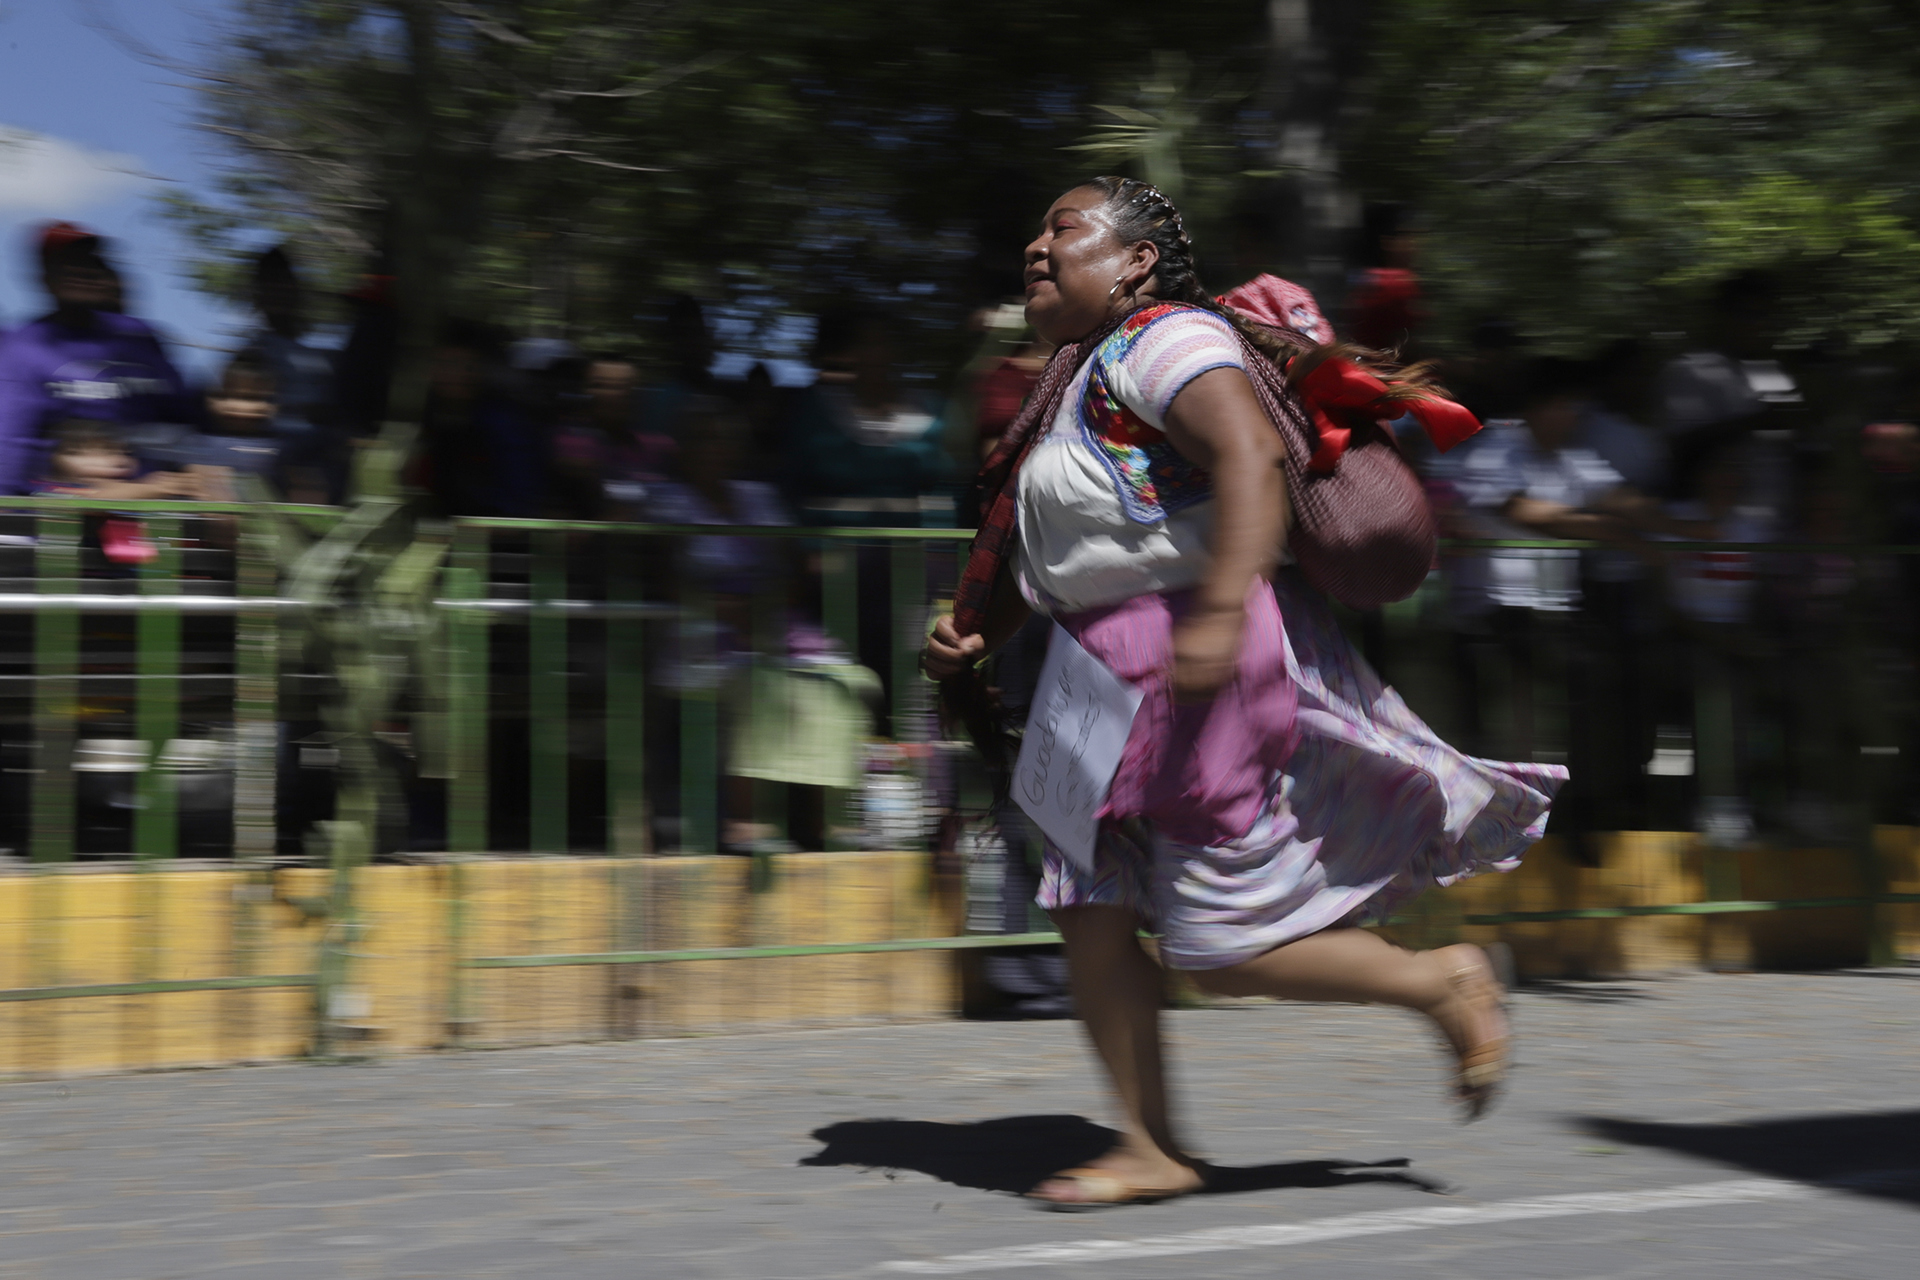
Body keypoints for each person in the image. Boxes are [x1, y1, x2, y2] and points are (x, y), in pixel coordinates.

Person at [921, 177, 1563, 1206]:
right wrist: (973, 634)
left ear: (1135, 260)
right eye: (1033, 228)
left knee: (1216, 945)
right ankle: (1151, 1143)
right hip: (1089, 670)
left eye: (1064, 229)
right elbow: (1067, 550)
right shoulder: (1072, 378)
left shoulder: (1168, 340)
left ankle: (1440, 979)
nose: (1037, 244)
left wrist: (1220, 612)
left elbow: (1251, 456)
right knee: (1088, 909)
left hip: (1185, 650)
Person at [0, 223, 195, 495]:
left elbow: (186, 420)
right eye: (67, 265)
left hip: (160, 509)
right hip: (67, 516)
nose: (82, 272)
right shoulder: (23, 348)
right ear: (44, 277)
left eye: (90, 262)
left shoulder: (140, 337)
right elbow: (12, 445)